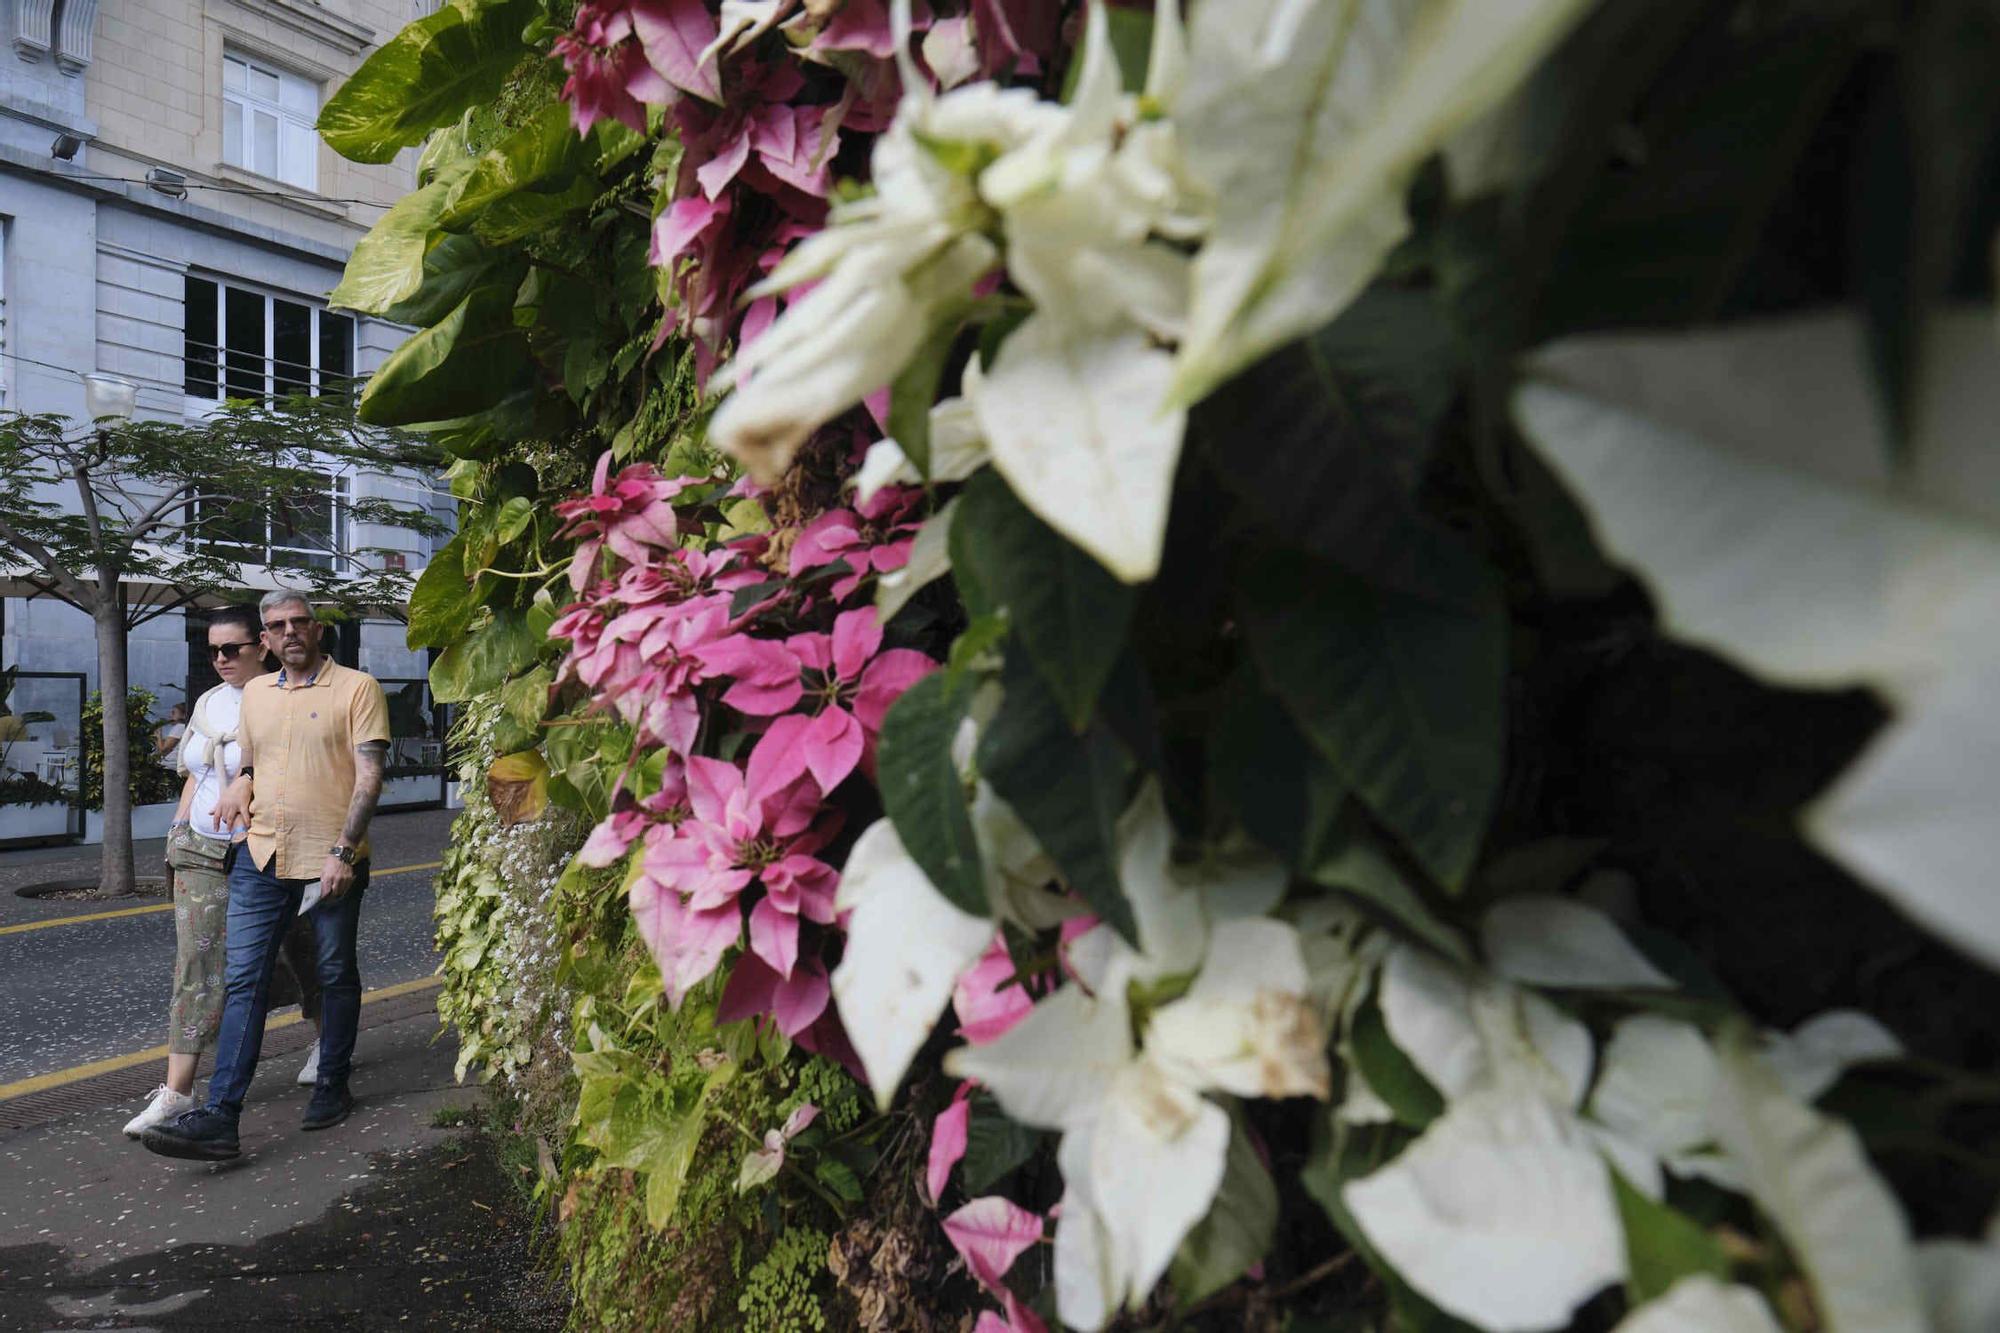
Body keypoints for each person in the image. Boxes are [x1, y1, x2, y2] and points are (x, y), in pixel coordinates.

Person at [141, 592, 390, 1161]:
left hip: (330, 858)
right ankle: (221, 1116)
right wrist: (240, 783)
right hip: (261, 856)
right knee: (243, 983)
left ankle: (332, 1082)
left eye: (299, 622)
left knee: (332, 972)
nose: (289, 633)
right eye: (276, 626)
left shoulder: (357, 688)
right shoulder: (255, 693)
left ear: (318, 629)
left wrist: (344, 852)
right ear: (268, 638)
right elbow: (254, 759)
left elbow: (369, 775)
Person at [122, 608, 327, 1138]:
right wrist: (176, 832)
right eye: (211, 650)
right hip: (200, 849)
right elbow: (198, 771)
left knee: (297, 948)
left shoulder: (284, 699)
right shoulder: (209, 703)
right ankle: (177, 1093)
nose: (220, 660)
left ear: (261, 646)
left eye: (231, 649)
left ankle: (327, 1038)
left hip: (261, 849)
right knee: (197, 962)